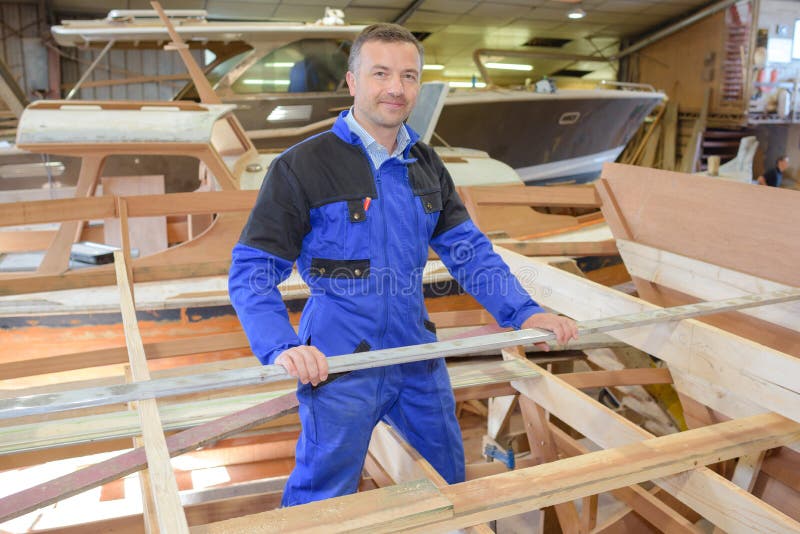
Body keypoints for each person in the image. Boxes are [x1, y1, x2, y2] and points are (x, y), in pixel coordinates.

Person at [228, 23, 578, 507]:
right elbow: (253, 269)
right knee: (322, 492)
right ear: (352, 82)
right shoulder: (302, 166)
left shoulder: (425, 164)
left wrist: (524, 312)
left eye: (409, 76)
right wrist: (281, 345)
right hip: (338, 360)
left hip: (415, 355)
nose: (396, 88)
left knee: (447, 484)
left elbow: (469, 252)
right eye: (380, 73)